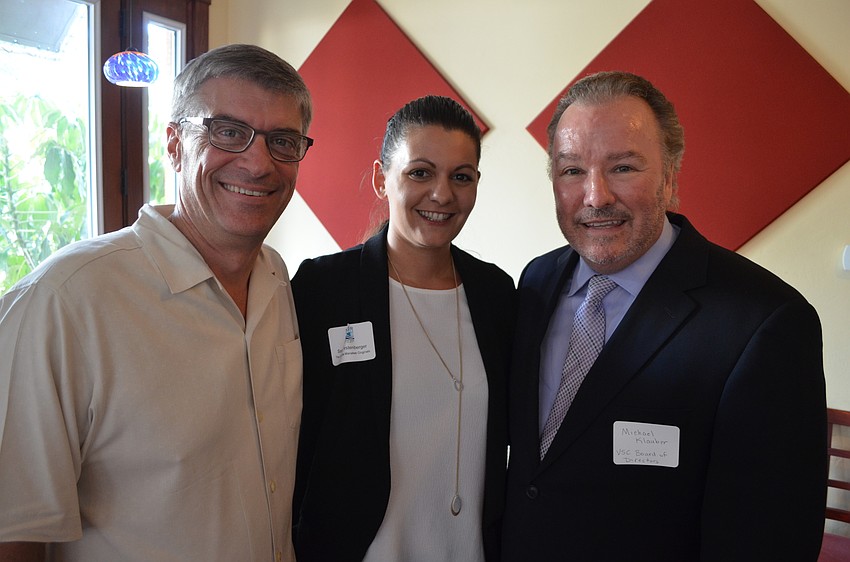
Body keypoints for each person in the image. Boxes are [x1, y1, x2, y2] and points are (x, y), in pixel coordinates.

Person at [0, 44, 312, 562]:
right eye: (228, 132)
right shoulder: (65, 302)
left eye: (283, 141)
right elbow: (14, 533)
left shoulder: (277, 278)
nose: (258, 163)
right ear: (174, 143)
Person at [501, 71, 827, 561]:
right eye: (571, 171)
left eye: (624, 167)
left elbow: (770, 538)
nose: (595, 197)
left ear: (672, 175)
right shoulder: (536, 281)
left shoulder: (765, 322)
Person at [291, 95, 515, 562]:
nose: (442, 194)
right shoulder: (324, 288)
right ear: (381, 179)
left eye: (461, 176)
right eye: (420, 172)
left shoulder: (497, 294)